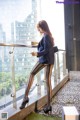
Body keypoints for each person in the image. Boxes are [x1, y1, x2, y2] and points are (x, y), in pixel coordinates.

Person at [20, 20, 55, 113]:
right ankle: (48, 106)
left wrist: (37, 53)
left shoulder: (46, 36)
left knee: (31, 73)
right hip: (51, 60)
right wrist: (37, 44)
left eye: (38, 28)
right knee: (48, 82)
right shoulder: (48, 35)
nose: (38, 30)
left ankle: (25, 97)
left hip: (45, 60)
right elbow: (46, 46)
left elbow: (46, 50)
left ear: (42, 27)